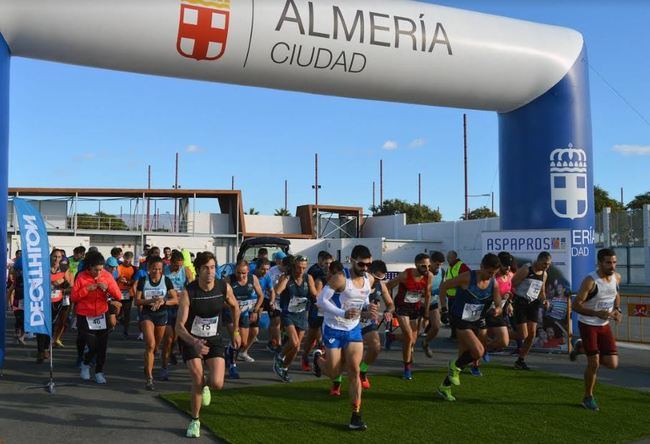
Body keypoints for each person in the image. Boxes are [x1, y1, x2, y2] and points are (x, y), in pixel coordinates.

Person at [175, 251, 241, 438]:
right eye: (206, 268)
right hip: (191, 339)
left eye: (213, 267)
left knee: (217, 383)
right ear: (198, 270)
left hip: (214, 338)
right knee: (197, 378)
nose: (210, 272)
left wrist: (235, 331)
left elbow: (235, 306)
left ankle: (206, 386)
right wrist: (194, 341)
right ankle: (195, 421)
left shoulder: (223, 287)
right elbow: (179, 327)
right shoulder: (190, 292)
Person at [313, 246, 376, 431]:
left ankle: (356, 415)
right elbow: (320, 300)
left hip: (353, 329)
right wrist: (342, 312)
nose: (365, 268)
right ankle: (317, 358)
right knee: (334, 372)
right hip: (333, 328)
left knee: (354, 370)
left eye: (368, 264)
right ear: (352, 260)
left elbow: (363, 301)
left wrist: (368, 310)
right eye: (362, 264)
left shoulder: (369, 279)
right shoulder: (341, 278)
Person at [437, 253, 502, 402]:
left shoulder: (493, 283)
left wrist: (497, 310)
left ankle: (444, 386)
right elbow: (444, 286)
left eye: (494, 273)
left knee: (467, 356)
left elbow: (498, 305)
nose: (490, 276)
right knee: (478, 351)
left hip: (476, 320)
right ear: (481, 267)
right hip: (459, 318)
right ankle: (453, 365)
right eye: (489, 272)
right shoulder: (468, 277)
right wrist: (444, 309)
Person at [572, 248, 621, 411]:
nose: (612, 266)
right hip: (588, 324)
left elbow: (616, 293)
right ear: (599, 263)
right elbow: (576, 305)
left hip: (604, 325)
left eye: (614, 262)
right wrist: (596, 313)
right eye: (608, 262)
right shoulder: (590, 281)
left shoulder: (616, 277)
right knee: (594, 363)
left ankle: (580, 347)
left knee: (612, 364)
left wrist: (618, 310)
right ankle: (588, 397)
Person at [71, 251, 123, 384]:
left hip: (102, 313)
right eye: (96, 270)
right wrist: (87, 289)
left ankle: (99, 371)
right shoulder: (81, 276)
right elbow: (74, 297)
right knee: (93, 345)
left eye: (101, 269)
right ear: (89, 267)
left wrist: (107, 289)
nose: (99, 273)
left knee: (102, 346)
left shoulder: (107, 276)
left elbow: (118, 295)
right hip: (85, 314)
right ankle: (85, 363)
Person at [135, 255, 179, 390]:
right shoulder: (143, 280)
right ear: (149, 268)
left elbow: (175, 299)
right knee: (150, 344)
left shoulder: (166, 281)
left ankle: (148, 364)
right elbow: (137, 301)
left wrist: (163, 301)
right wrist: (150, 301)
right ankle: (149, 378)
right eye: (154, 269)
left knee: (156, 347)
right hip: (147, 314)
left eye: (159, 269)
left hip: (162, 315)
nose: (157, 272)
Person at [387, 253, 433, 380]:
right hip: (402, 307)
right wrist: (390, 305)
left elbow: (428, 295)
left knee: (412, 340)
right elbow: (388, 286)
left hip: (415, 308)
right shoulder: (405, 275)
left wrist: (426, 315)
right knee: (408, 335)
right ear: (416, 264)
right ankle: (407, 368)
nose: (427, 269)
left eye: (429, 266)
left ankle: (392, 337)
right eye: (424, 266)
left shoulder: (429, 276)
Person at [273, 255, 318, 382]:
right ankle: (280, 357)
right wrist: (283, 282)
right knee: (294, 342)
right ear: (294, 266)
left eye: (304, 268)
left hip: (302, 314)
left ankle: (284, 368)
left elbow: (314, 294)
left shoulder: (308, 278)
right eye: (298, 267)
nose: (301, 270)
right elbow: (278, 291)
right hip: (288, 314)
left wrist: (320, 300)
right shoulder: (287, 277)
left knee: (296, 348)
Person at [224, 260, 264, 378]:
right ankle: (232, 366)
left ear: (248, 271)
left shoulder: (253, 279)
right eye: (238, 273)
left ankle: (228, 350)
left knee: (244, 342)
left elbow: (261, 296)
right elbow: (221, 299)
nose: (241, 276)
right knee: (236, 341)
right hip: (230, 314)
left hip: (245, 313)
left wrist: (255, 310)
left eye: (243, 273)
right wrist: (233, 306)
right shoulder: (228, 280)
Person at [512, 252, 551, 370]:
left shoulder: (544, 274)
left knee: (532, 335)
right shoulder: (526, 269)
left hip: (533, 304)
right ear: (538, 261)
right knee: (523, 334)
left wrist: (545, 300)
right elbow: (512, 284)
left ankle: (520, 360)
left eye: (548, 264)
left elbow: (542, 291)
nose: (546, 266)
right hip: (521, 302)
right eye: (544, 263)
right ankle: (500, 337)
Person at [358, 259, 394, 390]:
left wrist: (388, 311)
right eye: (376, 277)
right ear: (368, 272)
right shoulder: (358, 283)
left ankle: (362, 371)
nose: (378, 280)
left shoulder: (380, 285)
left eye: (381, 278)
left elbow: (390, 304)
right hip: (351, 321)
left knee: (375, 347)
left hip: (367, 322)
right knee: (352, 355)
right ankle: (336, 382)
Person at [162, 250, 195, 377]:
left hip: (181, 307)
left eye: (180, 265)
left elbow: (192, 286)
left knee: (177, 336)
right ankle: (164, 368)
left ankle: (172, 351)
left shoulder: (185, 270)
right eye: (176, 265)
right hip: (168, 306)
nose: (178, 267)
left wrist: (185, 293)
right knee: (169, 339)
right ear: (171, 262)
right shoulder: (164, 271)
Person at [37, 251, 73, 362]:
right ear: (50, 257)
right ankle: (40, 351)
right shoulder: (43, 267)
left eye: (59, 257)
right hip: (43, 300)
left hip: (57, 301)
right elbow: (37, 282)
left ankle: (46, 348)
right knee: (41, 326)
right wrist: (50, 284)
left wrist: (62, 283)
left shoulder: (64, 268)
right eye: (54, 257)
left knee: (51, 325)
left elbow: (70, 285)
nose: (56, 259)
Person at [302, 250, 333, 372]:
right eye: (326, 263)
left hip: (329, 312)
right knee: (311, 336)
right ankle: (305, 358)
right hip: (317, 309)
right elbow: (317, 296)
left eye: (330, 263)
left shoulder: (337, 278)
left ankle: (321, 359)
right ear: (322, 263)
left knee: (326, 337)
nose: (328, 265)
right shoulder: (319, 277)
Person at [422, 251, 445, 358]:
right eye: (437, 264)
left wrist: (443, 307)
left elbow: (441, 289)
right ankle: (392, 337)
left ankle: (425, 343)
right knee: (411, 334)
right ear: (430, 262)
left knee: (436, 327)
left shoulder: (442, 272)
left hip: (433, 302)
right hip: (419, 303)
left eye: (440, 264)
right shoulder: (423, 272)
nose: (438, 267)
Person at [445, 251, 470, 339]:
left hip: (459, 296)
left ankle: (459, 335)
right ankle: (454, 334)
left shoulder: (461, 266)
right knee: (452, 316)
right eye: (447, 257)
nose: (448, 259)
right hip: (451, 296)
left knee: (457, 316)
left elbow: (467, 279)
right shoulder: (450, 267)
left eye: (450, 257)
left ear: (455, 257)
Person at [116, 252, 137, 338]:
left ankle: (126, 330)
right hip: (118, 291)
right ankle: (117, 320)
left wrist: (128, 282)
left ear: (131, 259)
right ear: (123, 258)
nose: (127, 261)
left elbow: (135, 280)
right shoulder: (119, 267)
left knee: (127, 312)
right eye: (125, 260)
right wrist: (119, 279)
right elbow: (115, 277)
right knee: (117, 311)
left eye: (129, 260)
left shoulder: (134, 268)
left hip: (128, 292)